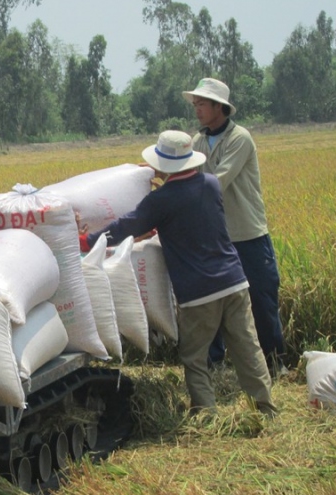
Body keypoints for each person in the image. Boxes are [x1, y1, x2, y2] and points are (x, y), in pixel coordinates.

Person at [78, 130, 276, 416]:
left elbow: (126, 226)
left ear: (164, 165)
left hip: (199, 293)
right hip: (235, 282)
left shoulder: (161, 200)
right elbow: (188, 217)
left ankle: (206, 415)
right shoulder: (210, 184)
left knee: (194, 357)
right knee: (247, 348)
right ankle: (266, 408)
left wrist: (87, 240)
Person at [183, 78, 286, 374]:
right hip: (216, 236)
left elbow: (217, 181)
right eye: (196, 104)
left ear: (220, 107)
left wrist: (174, 191)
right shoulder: (199, 141)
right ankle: (216, 364)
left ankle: (274, 362)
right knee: (212, 299)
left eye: (202, 104)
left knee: (261, 299)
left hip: (248, 234)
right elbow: (187, 175)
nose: (198, 109)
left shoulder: (240, 138)